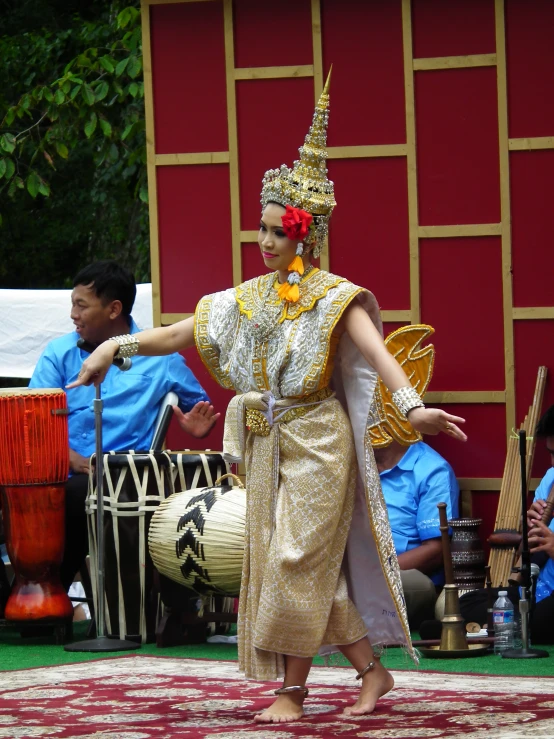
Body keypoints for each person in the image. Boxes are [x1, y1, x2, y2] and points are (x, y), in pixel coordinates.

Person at [70, 75, 466, 722]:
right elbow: (180, 330)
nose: (265, 240)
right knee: (296, 565)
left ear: (303, 235)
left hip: (322, 439)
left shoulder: (335, 296)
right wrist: (116, 350)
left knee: (291, 560)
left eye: (278, 232)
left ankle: (294, 690)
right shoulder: (248, 297)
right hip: (271, 438)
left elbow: (378, 352)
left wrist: (413, 405)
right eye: (262, 228)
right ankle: (372, 670)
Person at [29, 260, 218, 591]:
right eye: (72, 304)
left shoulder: (162, 357)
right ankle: (26, 596)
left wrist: (195, 427)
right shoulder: (58, 353)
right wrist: (70, 459)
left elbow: (197, 409)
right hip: (56, 469)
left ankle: (53, 594)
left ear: (114, 309)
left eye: (81, 305)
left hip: (124, 477)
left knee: (74, 497)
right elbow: (34, 419)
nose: (73, 314)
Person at [367, 325, 460, 628]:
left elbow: (435, 551)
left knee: (408, 586)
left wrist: (378, 570)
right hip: (353, 568)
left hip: (403, 575)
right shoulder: (352, 462)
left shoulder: (431, 470)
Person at [460, 405, 554, 644]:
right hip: (541, 591)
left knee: (542, 619)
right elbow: (532, 549)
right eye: (552, 453)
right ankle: (516, 626)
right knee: (467, 603)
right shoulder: (551, 479)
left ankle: (503, 627)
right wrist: (529, 527)